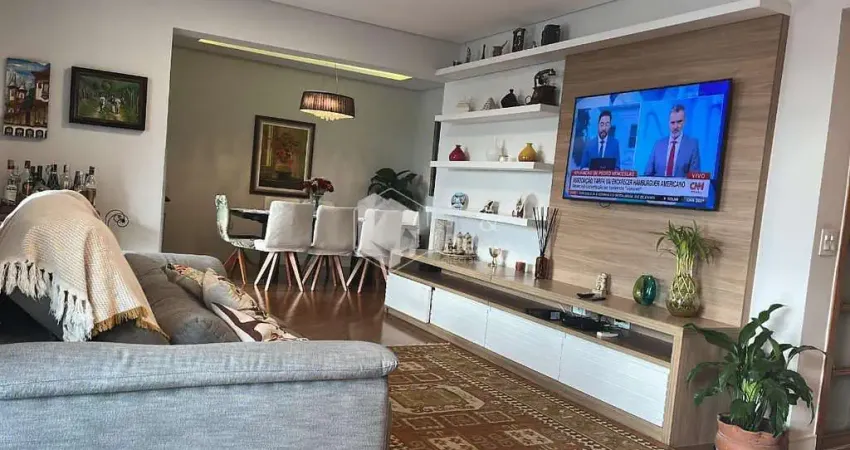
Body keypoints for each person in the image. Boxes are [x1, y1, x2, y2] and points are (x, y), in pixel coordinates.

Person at [644, 105, 700, 177]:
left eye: (679, 122)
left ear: (684, 121)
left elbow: (695, 177)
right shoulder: (658, 144)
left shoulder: (692, 144)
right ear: (668, 123)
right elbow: (647, 174)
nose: (675, 126)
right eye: (672, 122)